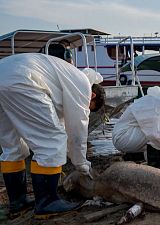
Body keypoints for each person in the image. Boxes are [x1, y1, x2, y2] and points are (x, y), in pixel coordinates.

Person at [0, 53, 105, 219]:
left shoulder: (67, 76)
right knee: (53, 141)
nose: (87, 109)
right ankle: (47, 202)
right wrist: (81, 164)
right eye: (89, 107)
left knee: (12, 145)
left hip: (4, 72)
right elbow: (77, 130)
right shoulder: (83, 85)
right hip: (23, 79)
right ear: (92, 96)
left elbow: (62, 120)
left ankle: (17, 202)